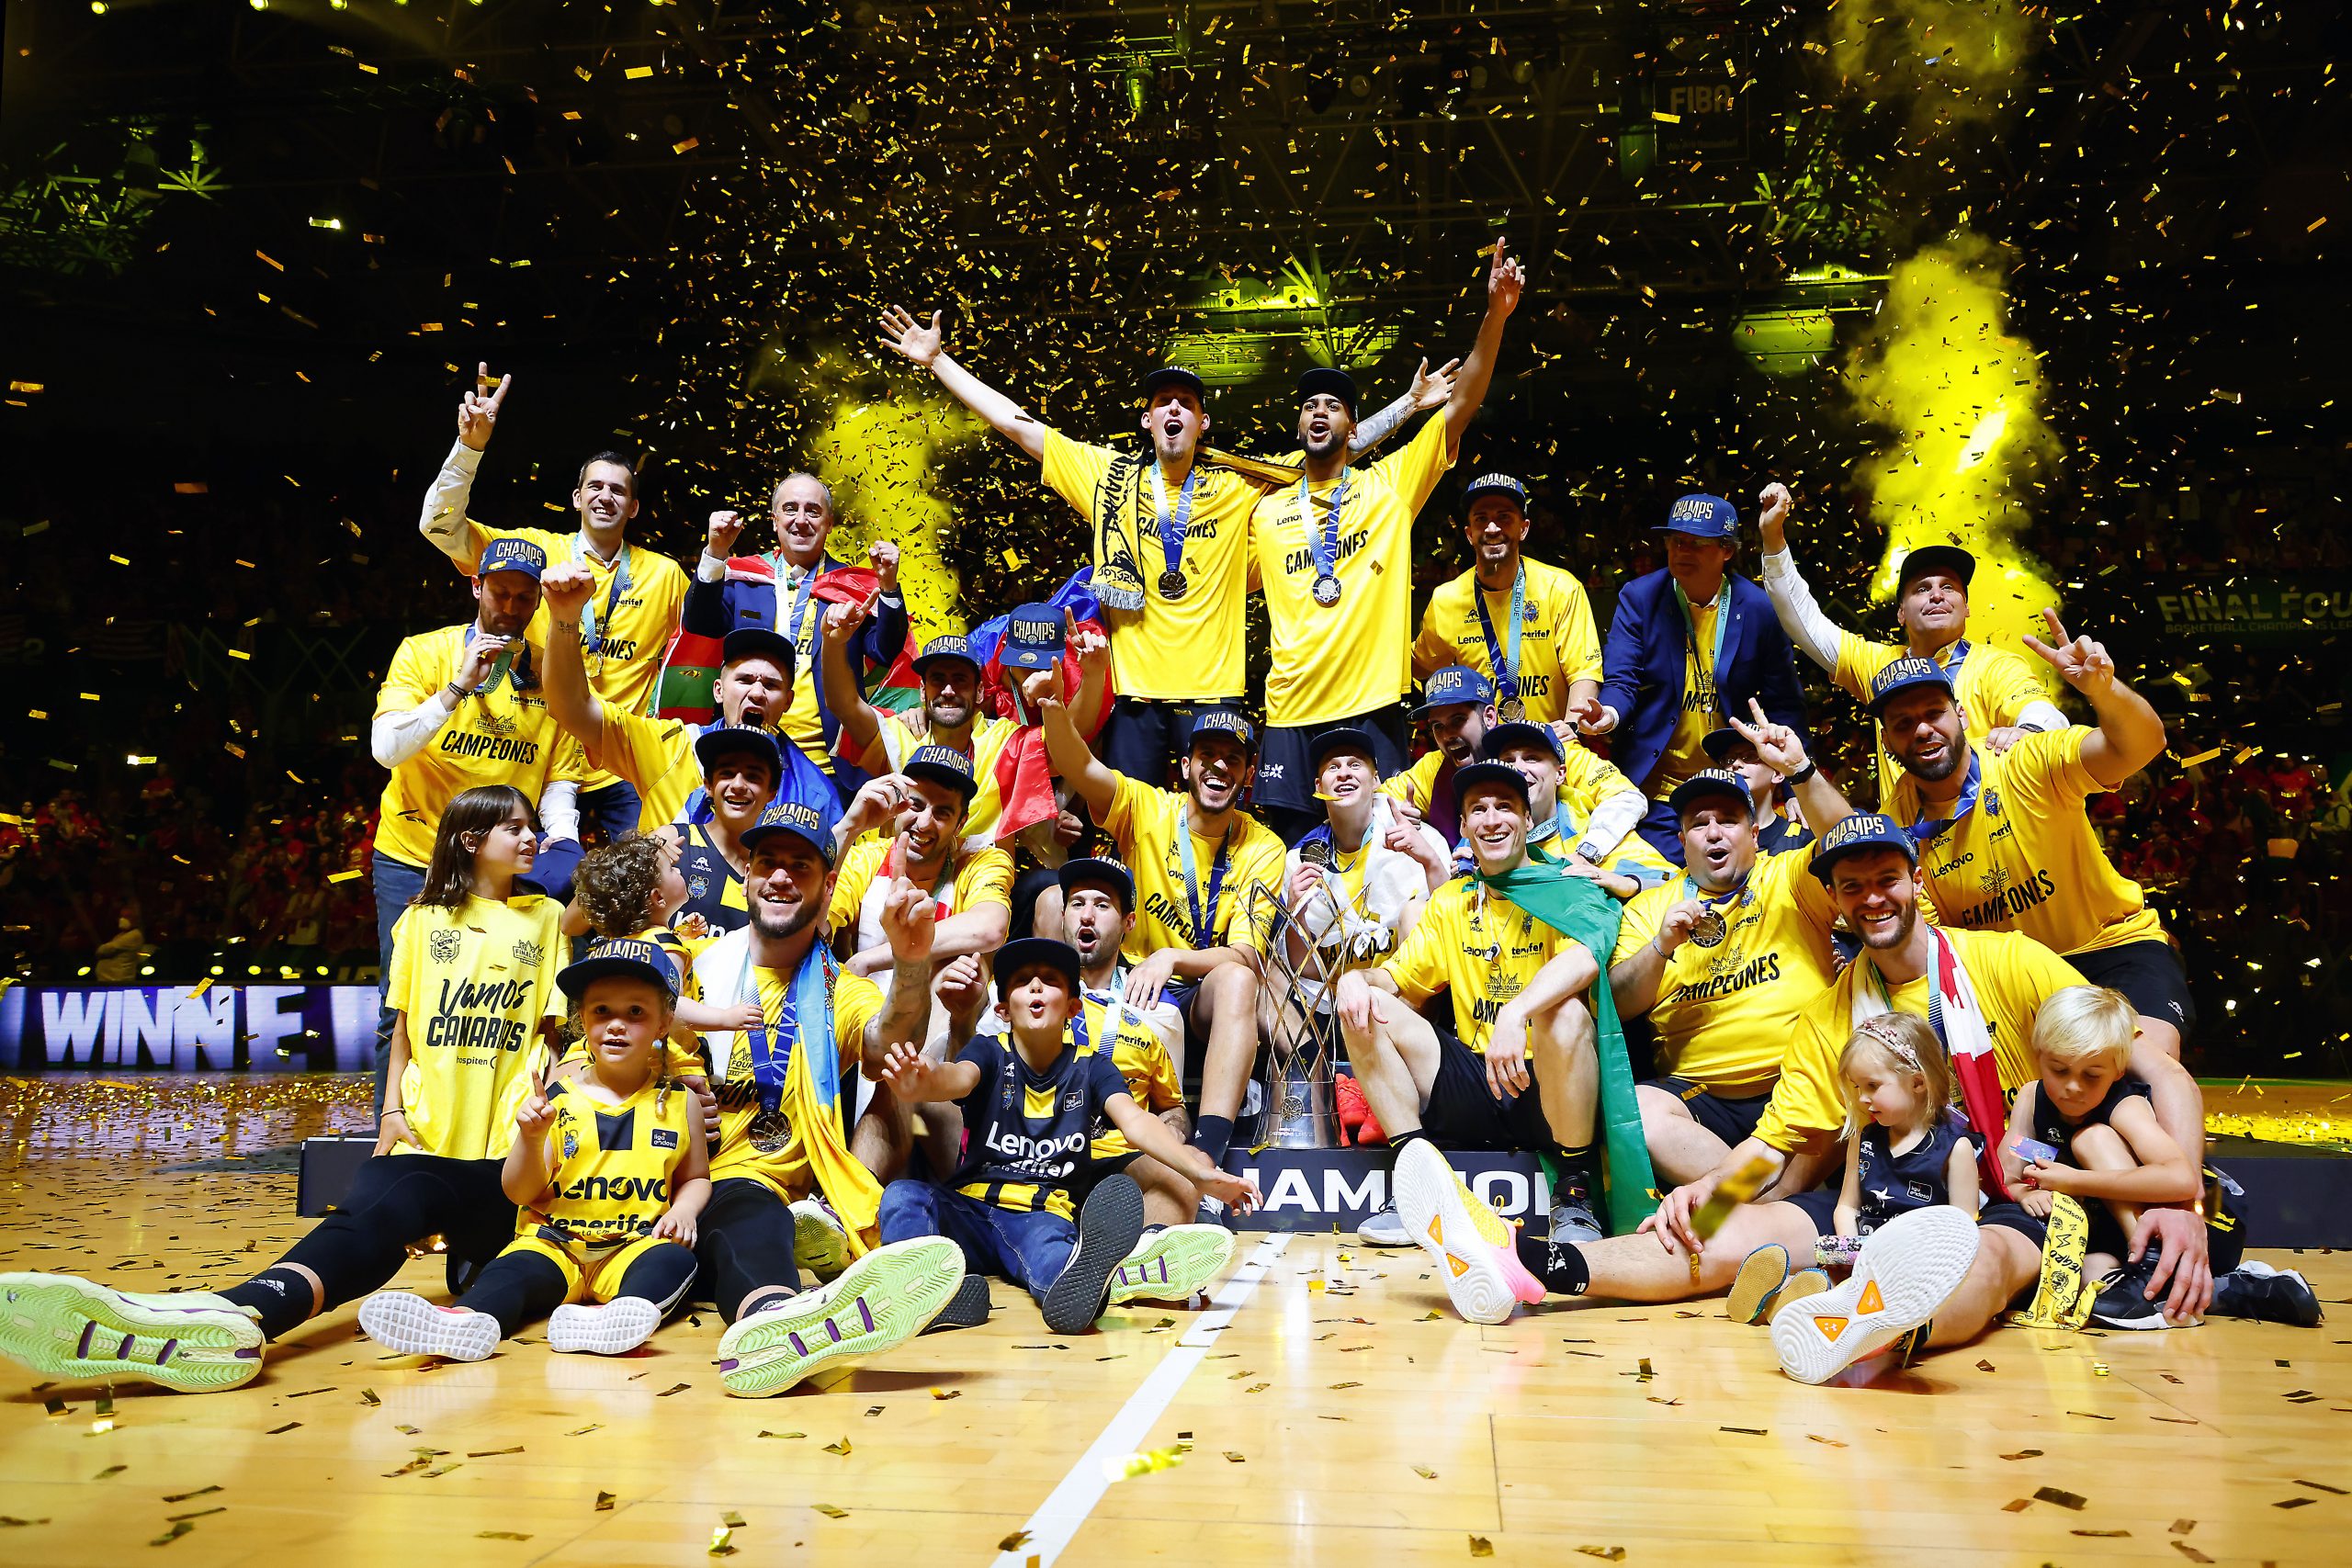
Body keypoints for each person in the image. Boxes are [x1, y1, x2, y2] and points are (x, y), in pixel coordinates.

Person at [1428, 814, 2217, 1384]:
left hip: (2014, 1195)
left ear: (1916, 882)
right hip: (1879, 1193)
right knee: (1717, 1229)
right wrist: (1710, 1191)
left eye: (1886, 880)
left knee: (1980, 1255)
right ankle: (1525, 1263)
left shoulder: (2010, 961)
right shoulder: (1830, 1015)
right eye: (1852, 886)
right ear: (1835, 900)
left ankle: (1865, 1326)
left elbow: (2165, 1075)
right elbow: (1773, 1149)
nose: (1872, 898)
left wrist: (2182, 1204)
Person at [0, 788, 564, 1393]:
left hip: (509, 1159)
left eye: (531, 826)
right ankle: (235, 1314)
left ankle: (456, 1289)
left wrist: (549, 1126)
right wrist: (391, 1111)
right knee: (364, 1225)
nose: (531, 837)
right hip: (425, 1138)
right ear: (470, 839)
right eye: (514, 827)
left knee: (486, 1274)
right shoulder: (420, 921)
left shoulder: (546, 917)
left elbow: (552, 1036)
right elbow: (401, 1026)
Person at [876, 309, 1445, 794]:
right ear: (1147, 419)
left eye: (1186, 403)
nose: (1174, 410)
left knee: (1212, 829)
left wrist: (1407, 407)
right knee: (1130, 829)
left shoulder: (1238, 483)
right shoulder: (1108, 478)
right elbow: (1016, 425)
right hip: (1136, 701)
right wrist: (938, 361)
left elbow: (1329, 449)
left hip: (1215, 697)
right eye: (1163, 402)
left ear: (1202, 422)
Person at [681, 784, 955, 1393]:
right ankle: (780, 1317)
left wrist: (912, 962)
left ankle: (807, 1288)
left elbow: (886, 1041)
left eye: (800, 866)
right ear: (747, 875)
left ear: (829, 887)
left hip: (801, 1196)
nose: (781, 877)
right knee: (746, 1205)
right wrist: (675, 1091)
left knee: (895, 1083)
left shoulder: (838, 986)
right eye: (768, 863)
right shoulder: (697, 966)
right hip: (702, 1189)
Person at [1250, 238, 1525, 842]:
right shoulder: (1265, 510)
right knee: (1296, 859)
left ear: (1351, 425)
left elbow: (1464, 399)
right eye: (1309, 406)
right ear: (1298, 425)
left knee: (1387, 850)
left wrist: (1495, 315)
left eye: (1333, 406)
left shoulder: (1390, 486)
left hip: (1370, 705)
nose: (1319, 412)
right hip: (1289, 711)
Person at [873, 939, 1261, 1333]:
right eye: (1022, 981)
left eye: (1050, 981)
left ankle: (1094, 1280)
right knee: (903, 1196)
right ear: (1003, 1010)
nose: (1036, 986)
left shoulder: (1093, 1067)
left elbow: (1136, 1122)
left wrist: (1200, 1174)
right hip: (969, 1210)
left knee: (1062, 1273)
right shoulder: (988, 1051)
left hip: (1041, 1216)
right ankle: (928, 1294)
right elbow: (955, 1078)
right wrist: (922, 1080)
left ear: (1074, 1008)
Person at [355, 938, 711, 1362]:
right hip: (552, 1244)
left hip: (634, 1245)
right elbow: (519, 1193)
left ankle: (612, 1319)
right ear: (582, 1019)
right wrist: (531, 1138)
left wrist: (684, 1210)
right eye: (602, 1011)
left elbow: (695, 1178)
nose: (617, 1025)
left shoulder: (680, 1102)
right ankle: (463, 1321)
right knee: (511, 1271)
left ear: (663, 1023)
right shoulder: (553, 1100)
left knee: (673, 1261)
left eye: (636, 1012)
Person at [1336, 759, 1610, 1311]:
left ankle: (1575, 1191)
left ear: (1528, 820)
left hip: (1549, 1091)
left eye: (1504, 806)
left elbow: (1586, 959)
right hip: (1478, 1078)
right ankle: (1419, 1184)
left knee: (1566, 1014)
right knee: (1368, 1006)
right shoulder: (1453, 901)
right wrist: (1354, 980)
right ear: (1462, 826)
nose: (1491, 819)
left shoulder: (1568, 887)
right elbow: (1398, 978)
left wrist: (1517, 1013)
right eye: (1477, 810)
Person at [1871, 615, 2196, 1055]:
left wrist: (2104, 691)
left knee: (2143, 1063)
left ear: (1961, 714)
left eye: (1933, 713)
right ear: (1887, 741)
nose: (1923, 729)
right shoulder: (1895, 829)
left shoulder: (2023, 759)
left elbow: (2142, 745)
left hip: (2107, 949)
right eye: (1903, 723)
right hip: (2009, 982)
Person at [1031, 671, 1287, 1175]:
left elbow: (1245, 955)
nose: (1220, 767)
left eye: (1233, 759)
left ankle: (1207, 1159)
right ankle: (1042, 1088)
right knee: (1049, 900)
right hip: (1127, 984)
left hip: (1195, 994)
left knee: (1238, 979)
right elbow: (1079, 765)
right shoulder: (1148, 808)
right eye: (1208, 756)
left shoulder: (1264, 846)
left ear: (1249, 774)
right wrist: (1055, 710)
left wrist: (1171, 958)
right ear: (1186, 766)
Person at [419, 367, 688, 842]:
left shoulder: (665, 575)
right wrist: (468, 449)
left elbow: (696, 654)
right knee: (534, 878)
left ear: (633, 507)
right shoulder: (534, 551)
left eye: (618, 490)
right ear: (577, 498)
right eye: (595, 487)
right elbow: (439, 528)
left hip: (623, 760)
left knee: (649, 875)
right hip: (540, 754)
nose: (605, 496)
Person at [368, 538, 585, 1093]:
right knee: (403, 1007)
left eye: (523, 597)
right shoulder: (425, 653)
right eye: (499, 593)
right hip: (413, 857)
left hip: (497, 868)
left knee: (497, 1003)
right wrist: (457, 687)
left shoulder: (552, 671)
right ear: (476, 587)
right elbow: (385, 749)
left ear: (539, 601)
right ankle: (393, 1127)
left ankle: (501, 1128)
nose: (510, 607)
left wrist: (563, 837)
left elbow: (559, 776)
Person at [1608, 706, 1858, 1185]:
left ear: (1755, 834)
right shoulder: (1650, 908)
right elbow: (1618, 1003)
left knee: (1854, 1073)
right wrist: (1660, 946)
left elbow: (1850, 843)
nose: (1714, 832)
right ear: (1682, 840)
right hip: (1703, 1099)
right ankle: (1765, 1205)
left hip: (1800, 1081)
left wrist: (1800, 770)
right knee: (1636, 1109)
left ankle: (1736, 1207)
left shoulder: (1787, 877)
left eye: (1728, 820)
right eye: (1699, 823)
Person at [2001, 985, 2318, 1328]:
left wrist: (2075, 1180)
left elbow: (2182, 1180)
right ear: (2039, 1058)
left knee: (2090, 1139)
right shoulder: (2031, 1098)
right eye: (2059, 1070)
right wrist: (2024, 1192)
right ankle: (2241, 1290)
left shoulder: (2126, 1107)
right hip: (2120, 1234)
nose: (2073, 1086)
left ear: (2118, 1069)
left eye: (2091, 1075)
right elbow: (2009, 1167)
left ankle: (2154, 1267)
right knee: (2080, 1275)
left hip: (2205, 1216)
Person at [1755, 481, 2067, 803]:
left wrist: (2030, 733)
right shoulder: (1878, 665)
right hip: (1906, 833)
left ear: (1966, 608)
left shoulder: (1996, 666)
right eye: (1922, 589)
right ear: (1901, 613)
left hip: (1989, 826)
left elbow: (2041, 713)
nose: (1937, 595)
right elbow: (1804, 621)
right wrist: (1773, 537)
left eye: (1949, 587)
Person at [1581, 493, 1808, 863]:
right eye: (1676, 541)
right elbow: (1622, 678)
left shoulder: (1758, 608)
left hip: (1732, 791)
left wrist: (1798, 785)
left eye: (1696, 543)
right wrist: (1609, 713)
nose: (1681, 551)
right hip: (1658, 793)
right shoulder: (1640, 597)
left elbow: (1784, 702)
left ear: (1726, 550)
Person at [541, 558, 803, 833]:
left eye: (771, 685)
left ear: (788, 701)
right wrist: (564, 618)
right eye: (744, 680)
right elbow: (572, 709)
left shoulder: (808, 788)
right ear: (718, 690)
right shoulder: (672, 747)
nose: (757, 693)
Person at [684, 490, 908, 784]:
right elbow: (699, 623)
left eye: (813, 511)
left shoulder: (851, 585)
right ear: (774, 520)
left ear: (829, 522)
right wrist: (715, 552)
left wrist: (888, 586)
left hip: (828, 767)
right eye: (790, 509)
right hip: (747, 757)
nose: (801, 520)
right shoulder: (745, 578)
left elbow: (885, 651)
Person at [1413, 471, 1602, 728]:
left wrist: (1570, 727)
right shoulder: (1446, 599)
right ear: (1469, 534)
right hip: (1481, 748)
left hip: (1549, 743)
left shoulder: (1560, 588)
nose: (1492, 529)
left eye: (1504, 517)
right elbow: (1421, 667)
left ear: (1523, 528)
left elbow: (1584, 672)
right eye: (1481, 519)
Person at [1478, 722, 1674, 891]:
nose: (1519, 769)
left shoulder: (1596, 831)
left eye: (1532, 758)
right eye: (1508, 761)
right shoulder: (1480, 840)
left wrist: (1631, 884)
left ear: (1560, 774)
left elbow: (1674, 885)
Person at [1380, 665, 1494, 848]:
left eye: (1458, 720)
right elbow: (1376, 801)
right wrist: (1398, 814)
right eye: (1438, 726)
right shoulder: (1433, 766)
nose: (1447, 735)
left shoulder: (1521, 758)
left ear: (1489, 717)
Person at [1700, 725, 1812, 852]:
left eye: (1750, 756)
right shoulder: (1709, 839)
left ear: (1777, 774)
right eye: (1728, 760)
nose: (1735, 764)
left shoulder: (1800, 839)